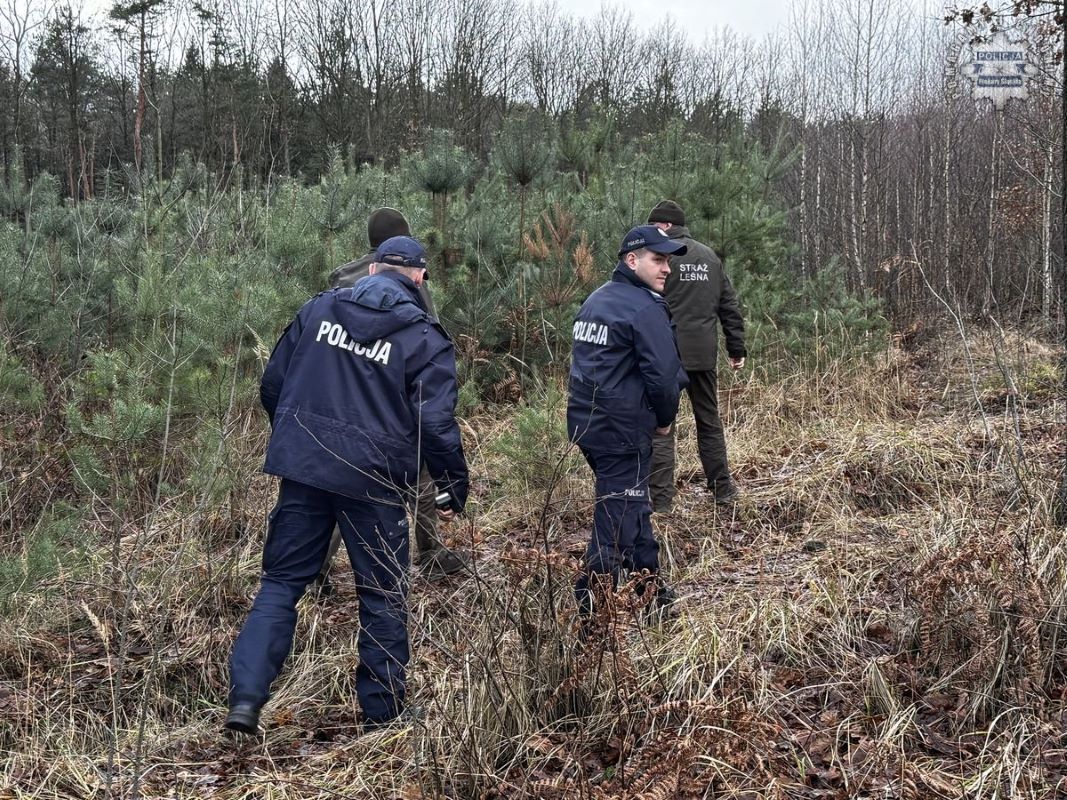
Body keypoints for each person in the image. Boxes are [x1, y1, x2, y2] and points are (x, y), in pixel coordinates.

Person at [225, 235, 469, 735]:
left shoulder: (319, 311)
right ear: (419, 277)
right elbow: (436, 423)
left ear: (374, 269)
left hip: (305, 473)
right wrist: (452, 481)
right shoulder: (422, 337)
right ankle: (384, 713)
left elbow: (273, 384)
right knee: (383, 593)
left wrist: (302, 442)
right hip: (373, 483)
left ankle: (245, 701)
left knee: (280, 584)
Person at [316, 207, 468, 583]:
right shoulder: (408, 276)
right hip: (398, 400)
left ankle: (315, 568)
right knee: (422, 478)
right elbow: (426, 335)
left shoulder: (344, 278)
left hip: (347, 401)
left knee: (344, 484)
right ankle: (431, 555)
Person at [567, 225, 688, 617]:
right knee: (615, 524)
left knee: (632, 506)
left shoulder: (596, 301)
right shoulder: (644, 308)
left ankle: (650, 594)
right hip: (621, 432)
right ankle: (591, 610)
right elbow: (664, 378)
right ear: (631, 260)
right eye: (658, 259)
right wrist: (665, 421)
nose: (666, 268)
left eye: (668, 260)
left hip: (589, 427)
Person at [645, 200, 746, 510]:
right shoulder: (709, 257)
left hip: (666, 355)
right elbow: (729, 305)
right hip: (703, 355)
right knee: (709, 421)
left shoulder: (658, 257)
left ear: (663, 226)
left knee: (662, 426)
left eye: (653, 226)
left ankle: (661, 503)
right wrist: (736, 347)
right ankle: (723, 490)